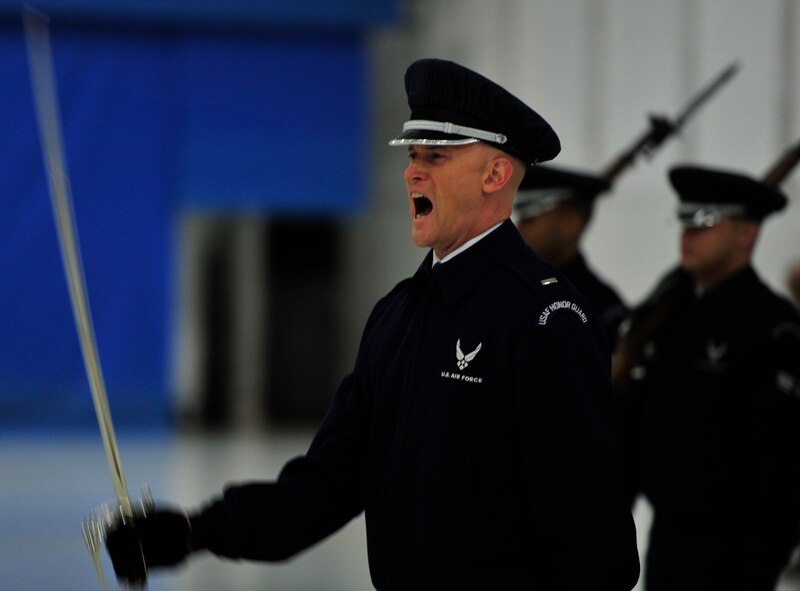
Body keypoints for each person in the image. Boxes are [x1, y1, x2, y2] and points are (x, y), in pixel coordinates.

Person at [103, 58, 640, 590]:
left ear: (495, 175)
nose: (412, 171)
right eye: (411, 155)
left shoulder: (545, 320)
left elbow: (594, 542)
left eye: (436, 155)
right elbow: (326, 484)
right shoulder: (397, 317)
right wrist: (193, 532)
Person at [615, 163, 800, 590]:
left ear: (745, 233)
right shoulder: (668, 316)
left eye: (704, 223)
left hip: (737, 554)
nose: (687, 235)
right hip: (666, 542)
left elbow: (783, 464)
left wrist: (762, 563)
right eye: (684, 222)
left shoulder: (772, 328)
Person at [514, 166, 628, 348]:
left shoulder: (600, 307)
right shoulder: (511, 286)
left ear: (571, 224)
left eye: (530, 218)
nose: (520, 228)